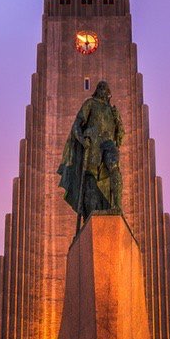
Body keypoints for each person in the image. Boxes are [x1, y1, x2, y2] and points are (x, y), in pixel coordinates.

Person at [57, 81, 124, 229]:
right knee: (90, 183)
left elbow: (120, 137)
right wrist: (82, 140)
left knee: (114, 166)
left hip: (108, 144)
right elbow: (77, 125)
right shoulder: (90, 103)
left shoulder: (112, 111)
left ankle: (118, 206)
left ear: (109, 93)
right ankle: (88, 219)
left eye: (105, 88)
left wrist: (118, 119)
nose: (102, 90)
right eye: (100, 87)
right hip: (93, 146)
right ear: (96, 91)